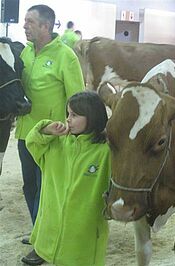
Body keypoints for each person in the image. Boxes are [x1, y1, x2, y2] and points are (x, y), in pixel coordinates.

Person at [15, 4, 85, 238]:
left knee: (46, 190)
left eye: (30, 22)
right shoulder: (24, 53)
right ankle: (39, 231)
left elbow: (78, 99)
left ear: (45, 26)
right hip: (25, 134)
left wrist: (74, 133)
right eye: (25, 21)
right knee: (30, 187)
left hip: (52, 137)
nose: (24, 25)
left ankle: (43, 240)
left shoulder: (66, 56)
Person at [21, 91, 111, 266]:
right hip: (51, 231)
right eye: (68, 114)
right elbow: (32, 141)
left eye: (75, 115)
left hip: (84, 238)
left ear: (92, 117)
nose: (68, 119)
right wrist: (46, 128)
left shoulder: (105, 152)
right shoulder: (56, 144)